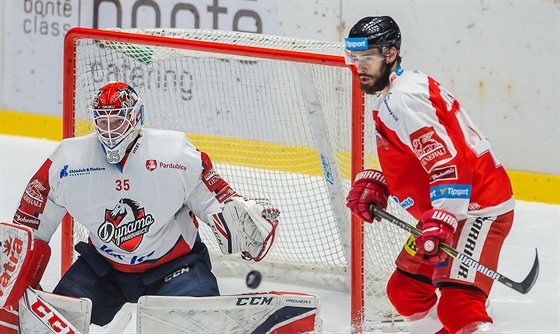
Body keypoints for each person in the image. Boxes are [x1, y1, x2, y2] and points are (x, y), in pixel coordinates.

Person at [7, 81, 279, 326]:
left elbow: (215, 199)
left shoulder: (175, 154)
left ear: (136, 118)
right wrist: (13, 274)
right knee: (46, 322)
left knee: (200, 325)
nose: (110, 131)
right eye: (104, 122)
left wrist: (240, 219)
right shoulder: (68, 160)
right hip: (103, 269)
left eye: (118, 121)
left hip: (174, 268)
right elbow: (31, 224)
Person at [344, 16, 515, 333]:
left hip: (477, 209)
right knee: (406, 292)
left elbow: (451, 161)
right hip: (448, 209)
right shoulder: (395, 93)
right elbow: (422, 155)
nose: (360, 67)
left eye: (367, 58)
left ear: (391, 53)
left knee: (459, 306)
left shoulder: (405, 100)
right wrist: (384, 182)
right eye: (354, 58)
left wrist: (443, 216)